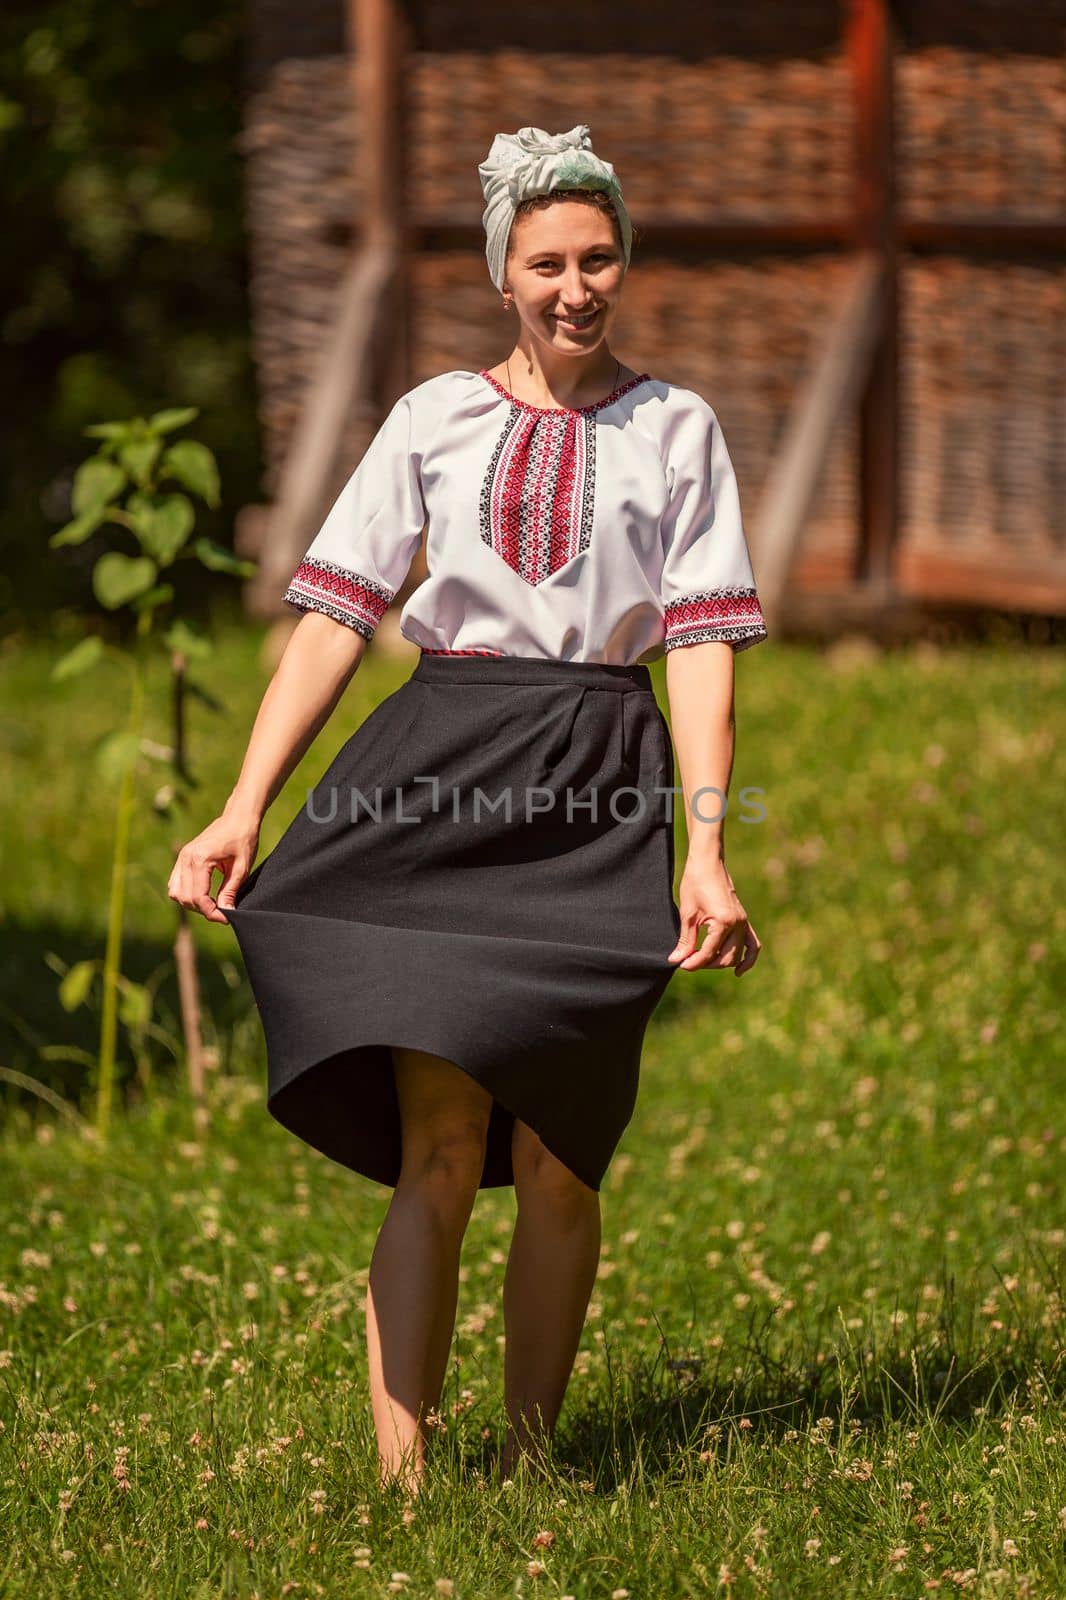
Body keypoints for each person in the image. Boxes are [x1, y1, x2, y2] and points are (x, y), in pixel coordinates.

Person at [167, 123, 768, 1496]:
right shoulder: (433, 417)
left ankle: (537, 1461)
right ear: (502, 270)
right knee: (437, 1141)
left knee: (562, 1151)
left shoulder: (677, 428)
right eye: (547, 260)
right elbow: (332, 618)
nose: (576, 286)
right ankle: (403, 1490)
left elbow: (700, 648)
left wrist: (712, 849)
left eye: (599, 257)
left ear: (625, 264)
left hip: (602, 789)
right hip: (437, 771)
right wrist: (241, 804)